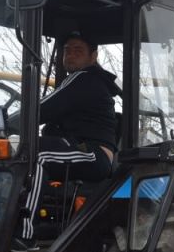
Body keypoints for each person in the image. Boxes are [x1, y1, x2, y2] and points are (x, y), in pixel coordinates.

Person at [20, 31, 121, 240]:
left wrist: (3, 121)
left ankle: (22, 233)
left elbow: (40, 110)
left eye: (78, 51)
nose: (71, 55)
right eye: (67, 51)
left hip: (94, 154)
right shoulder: (78, 82)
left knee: (35, 155)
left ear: (93, 57)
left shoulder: (85, 79)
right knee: (19, 150)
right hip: (76, 145)